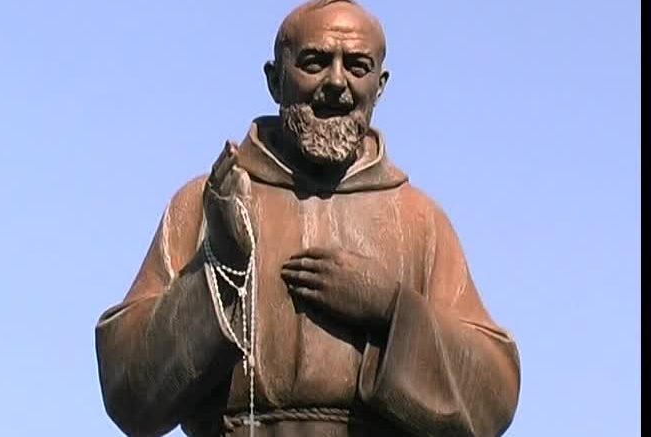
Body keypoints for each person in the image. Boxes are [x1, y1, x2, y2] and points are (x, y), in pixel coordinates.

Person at [94, 1, 521, 436]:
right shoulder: (211, 202)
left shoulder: (419, 220)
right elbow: (130, 395)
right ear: (275, 79)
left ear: (380, 86)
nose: (336, 82)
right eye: (315, 62)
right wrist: (220, 266)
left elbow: (493, 399)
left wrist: (391, 309)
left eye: (357, 66)